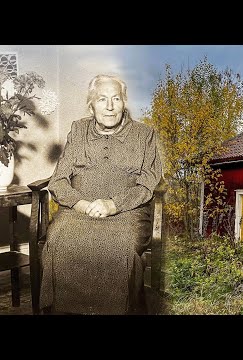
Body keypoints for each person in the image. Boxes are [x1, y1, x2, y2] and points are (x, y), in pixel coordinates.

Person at [40, 74, 162, 315]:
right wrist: (81, 204)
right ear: (91, 104)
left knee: (119, 245)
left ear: (124, 102)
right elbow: (59, 179)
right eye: (102, 99)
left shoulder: (144, 134)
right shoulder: (78, 130)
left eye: (116, 99)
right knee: (59, 239)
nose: (109, 106)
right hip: (79, 209)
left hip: (128, 211)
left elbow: (149, 181)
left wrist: (114, 204)